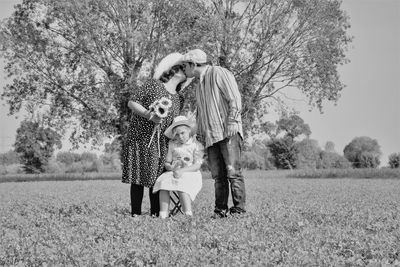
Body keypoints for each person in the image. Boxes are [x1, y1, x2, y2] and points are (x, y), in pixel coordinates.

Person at [122, 53, 189, 217]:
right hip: (140, 136)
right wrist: (149, 115)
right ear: (176, 70)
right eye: (184, 68)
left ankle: (155, 214)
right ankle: (135, 214)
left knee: (156, 177)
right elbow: (132, 102)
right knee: (137, 176)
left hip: (162, 141)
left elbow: (175, 123)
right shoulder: (153, 84)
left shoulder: (180, 97)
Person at [182, 49, 246, 218]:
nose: (184, 70)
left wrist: (233, 121)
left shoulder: (218, 73)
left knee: (233, 172)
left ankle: (239, 210)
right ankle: (220, 210)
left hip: (227, 131)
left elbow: (234, 98)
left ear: (193, 65)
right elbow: (201, 113)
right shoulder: (199, 85)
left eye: (185, 66)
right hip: (211, 135)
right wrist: (201, 134)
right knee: (218, 176)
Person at [153, 115, 204, 219]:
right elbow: (167, 163)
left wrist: (182, 171)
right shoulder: (172, 145)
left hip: (190, 172)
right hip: (174, 172)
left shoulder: (195, 145)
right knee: (163, 184)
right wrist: (171, 167)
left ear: (189, 131)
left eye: (183, 133)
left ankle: (188, 214)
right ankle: (163, 214)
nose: (180, 137)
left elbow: (197, 166)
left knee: (182, 184)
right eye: (177, 134)